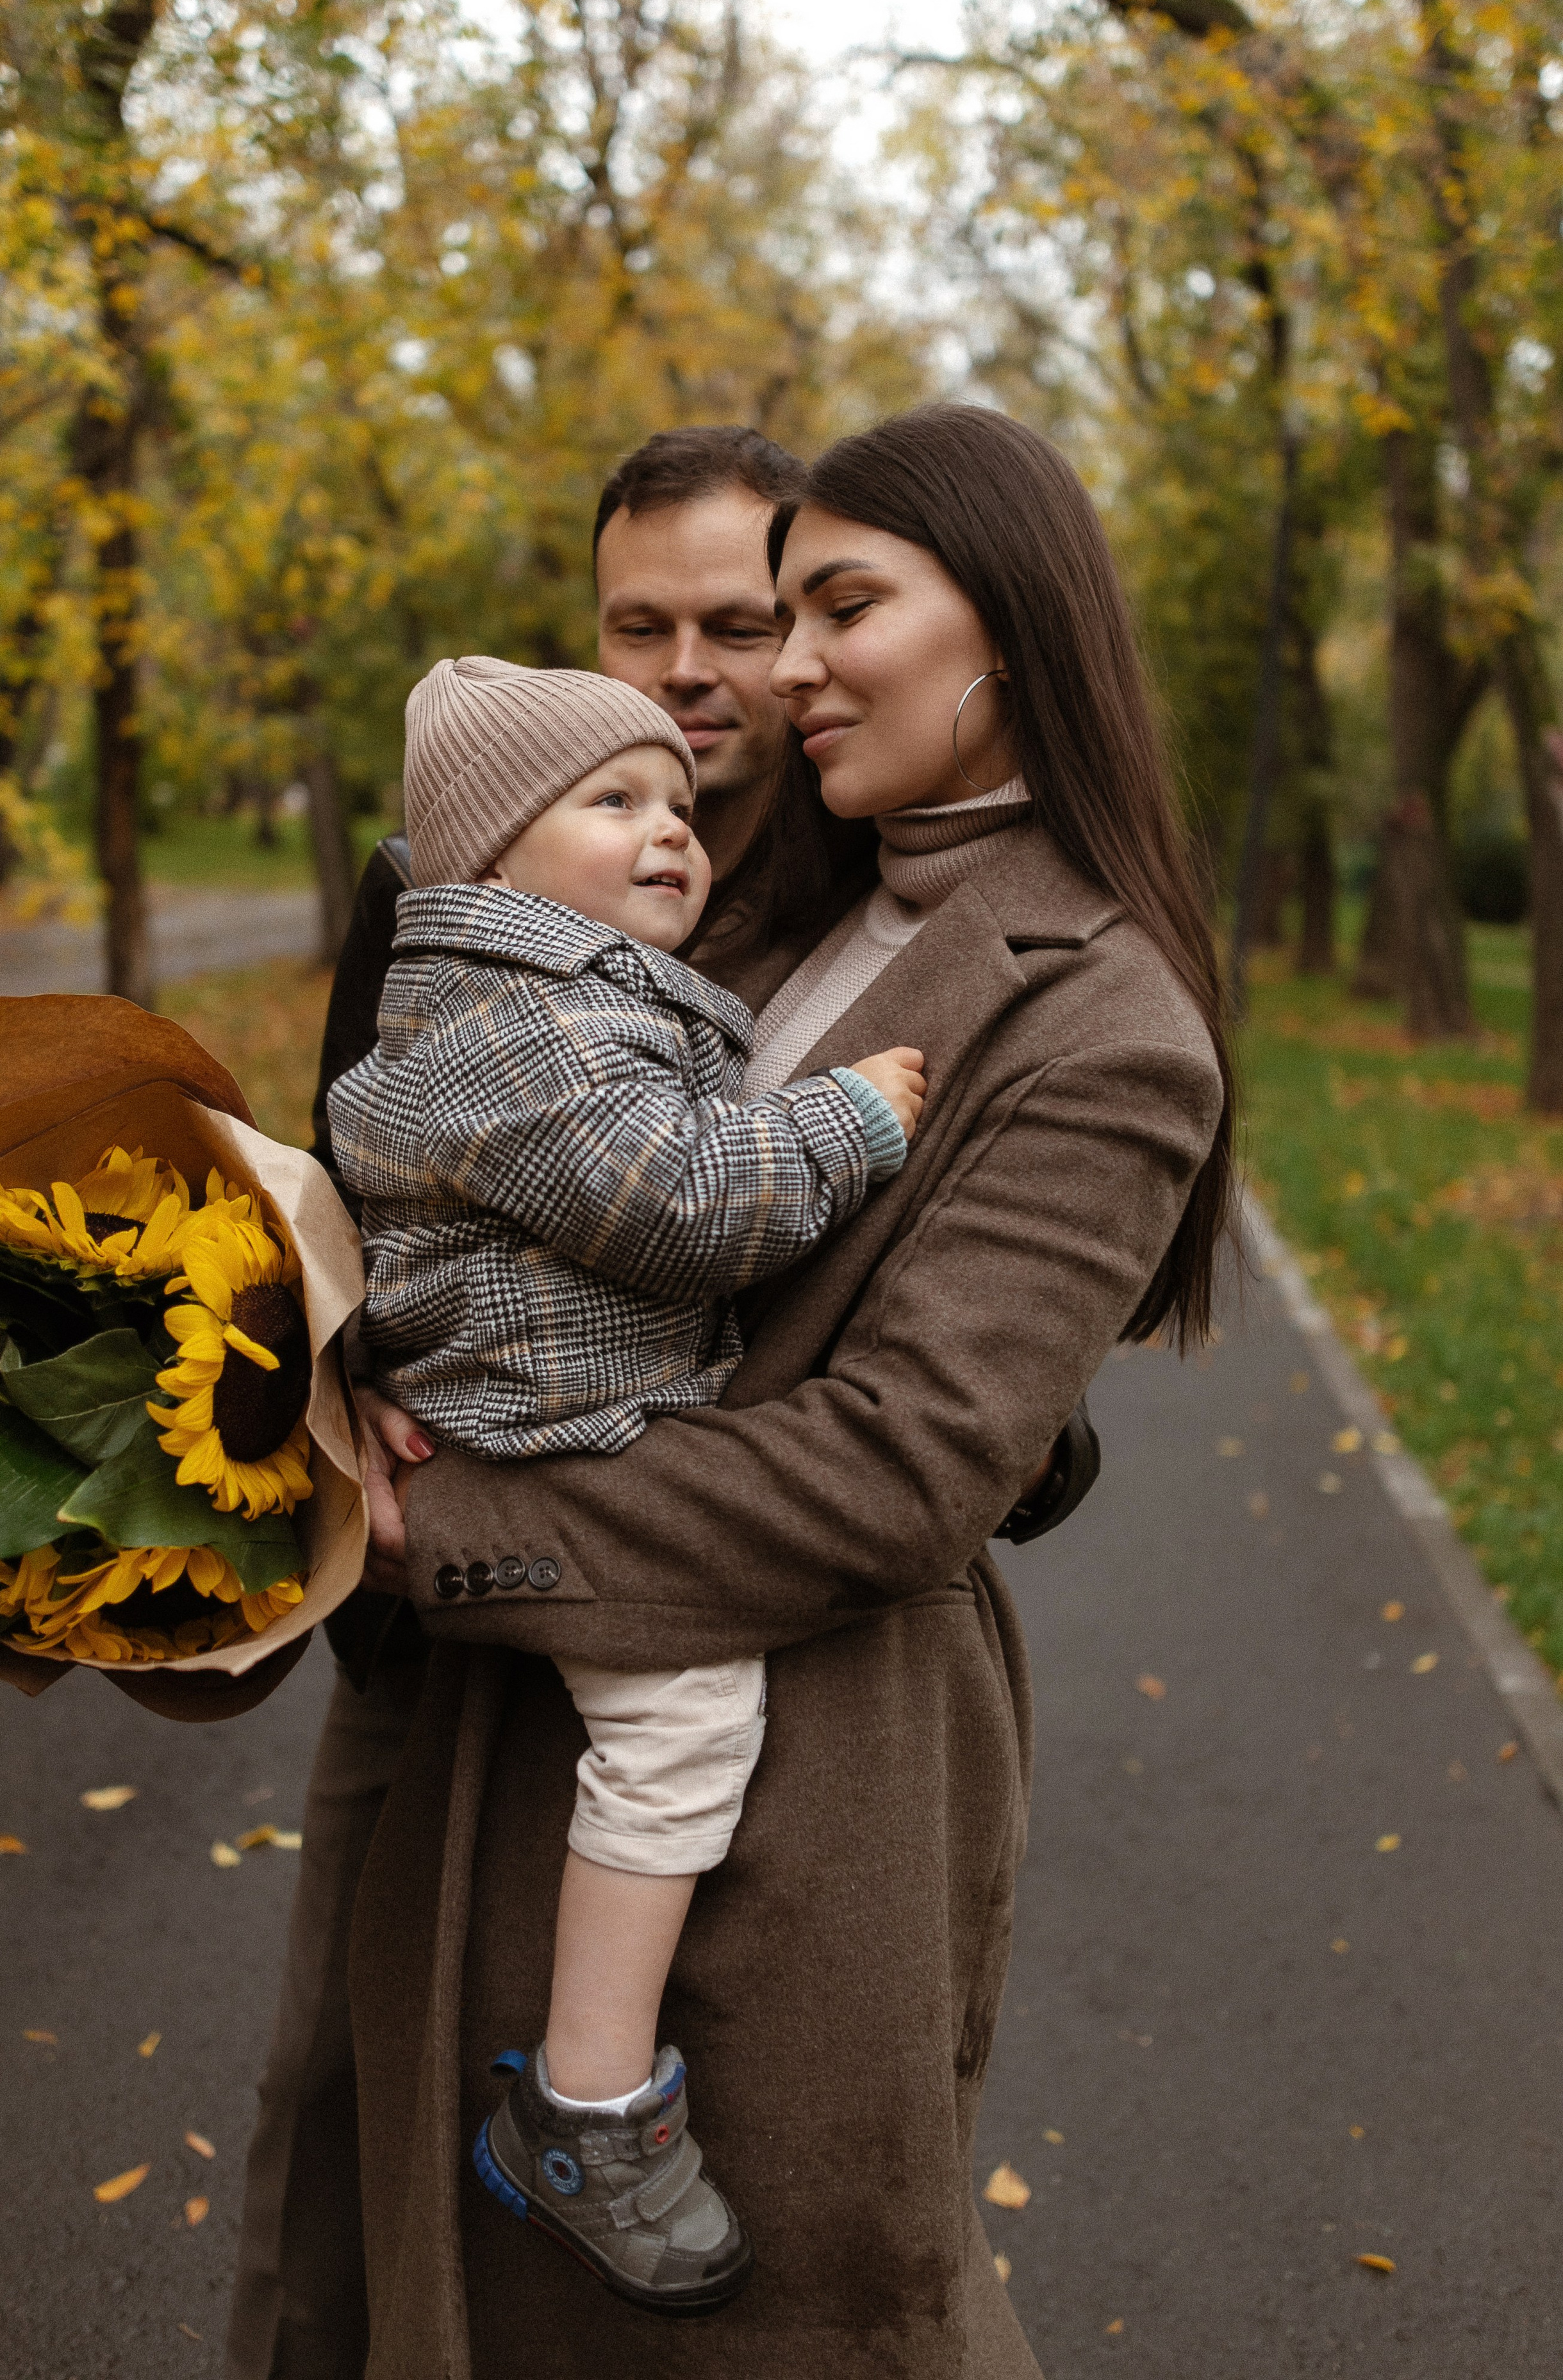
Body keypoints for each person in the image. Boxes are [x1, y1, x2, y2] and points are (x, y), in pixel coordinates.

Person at [344, 402, 1233, 2379]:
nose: (788, 663)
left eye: (841, 606)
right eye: (788, 611)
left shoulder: (1105, 1018)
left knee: (793, 2321)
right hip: (553, 1723)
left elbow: (903, 1469)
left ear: (1007, 626)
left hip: (801, 1776)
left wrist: (449, 1527)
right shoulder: (769, 905)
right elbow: (507, 1188)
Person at [327, 653, 926, 2311]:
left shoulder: (550, 998)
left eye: (677, 801)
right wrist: (848, 1123)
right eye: (612, 801)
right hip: (551, 1435)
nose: (671, 830)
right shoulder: (525, 1026)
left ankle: (588, 2091)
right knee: (680, 1736)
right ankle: (584, 2107)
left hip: (567, 1400)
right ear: (487, 861)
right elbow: (680, 1203)